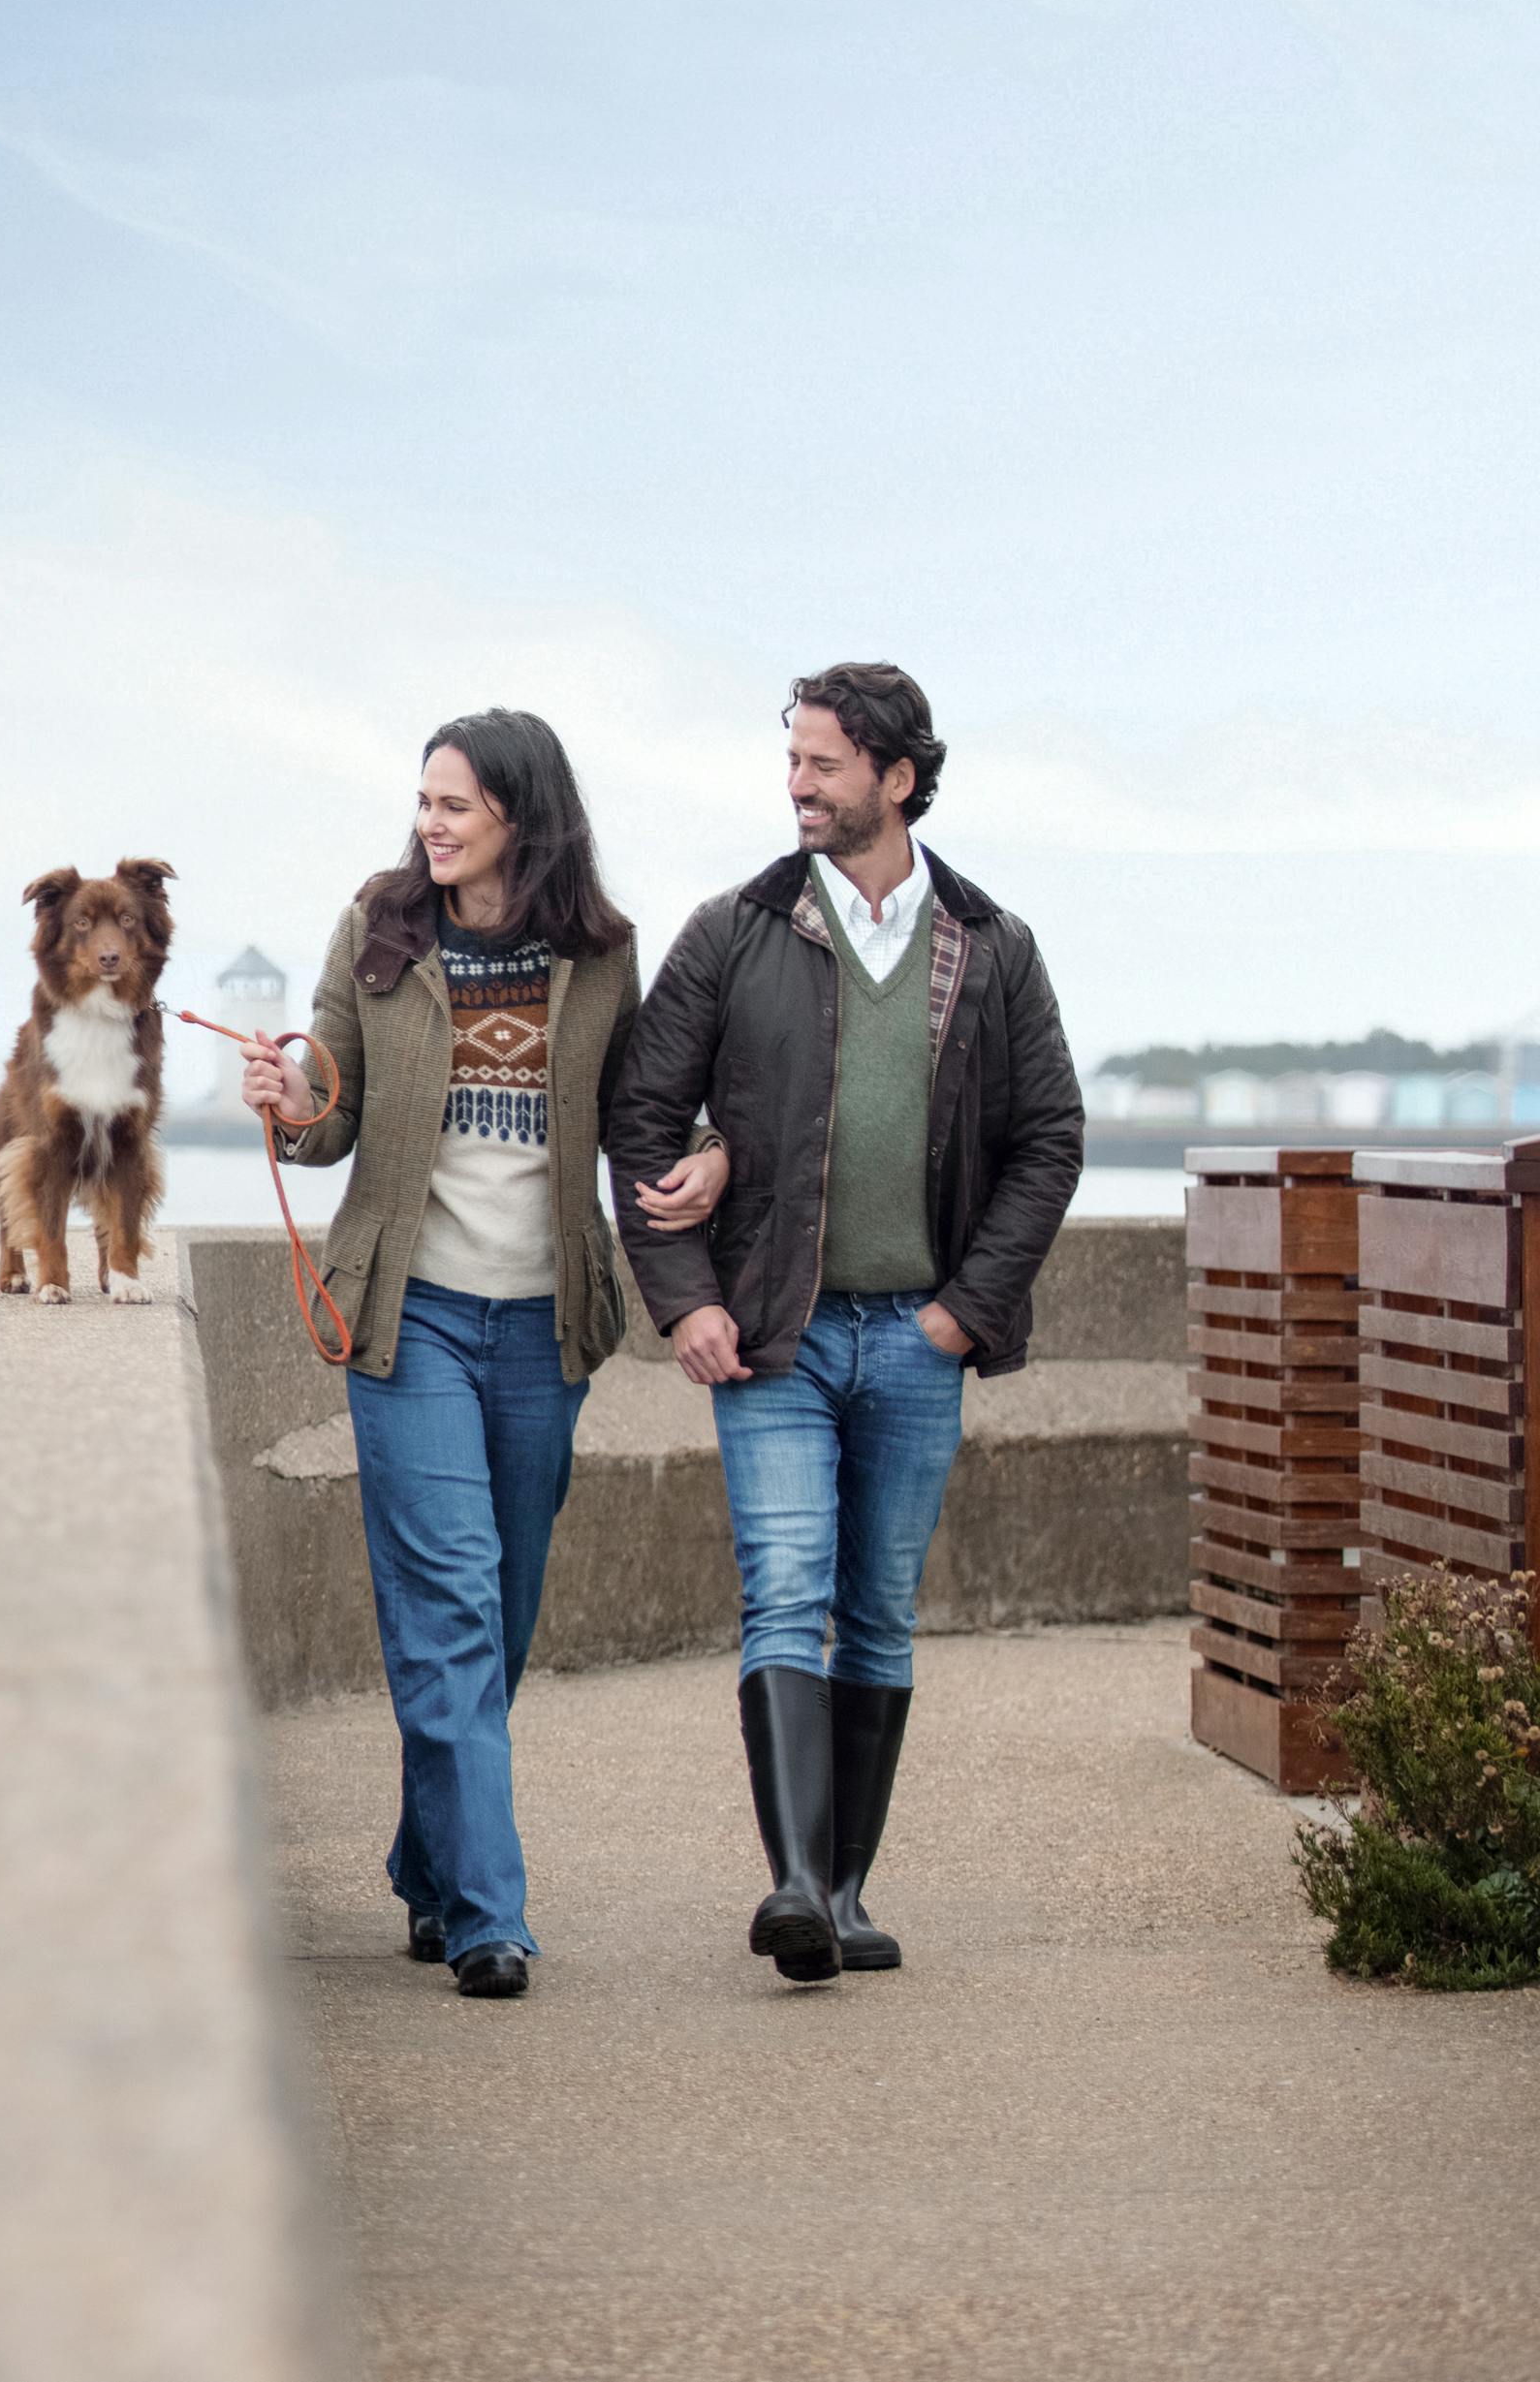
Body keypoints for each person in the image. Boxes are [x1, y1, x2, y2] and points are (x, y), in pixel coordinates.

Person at [605, 663, 1083, 1982]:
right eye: (794, 763)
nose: (800, 786)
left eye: (823, 764)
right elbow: (642, 1115)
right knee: (785, 1593)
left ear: (898, 777)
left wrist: (962, 1313)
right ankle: (797, 1882)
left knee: (876, 1612)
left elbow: (1050, 1138)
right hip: (775, 1337)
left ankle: (851, 1887)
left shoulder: (993, 947)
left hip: (918, 1339)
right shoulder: (735, 930)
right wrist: (686, 1295)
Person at [245, 709, 727, 1998]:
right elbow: (331, 1102)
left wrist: (716, 1148)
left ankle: (427, 1855)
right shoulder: (378, 929)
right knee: (449, 1599)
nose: (432, 823)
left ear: (523, 812)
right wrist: (298, 1105)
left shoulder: (604, 956)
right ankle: (487, 1916)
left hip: (542, 1327)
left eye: (455, 803)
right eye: (423, 801)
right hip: (408, 1320)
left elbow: (651, 1109)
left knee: (499, 1616)